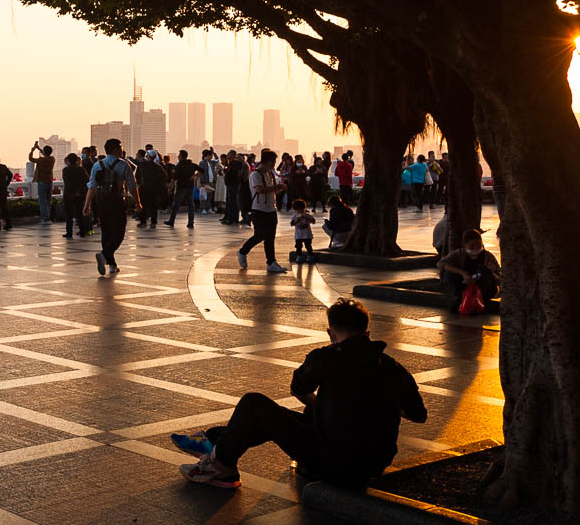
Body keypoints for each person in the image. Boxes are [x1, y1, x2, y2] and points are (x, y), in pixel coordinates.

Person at [175, 298, 427, 489]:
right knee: (292, 415)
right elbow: (418, 414)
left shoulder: (325, 358)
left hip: (333, 462)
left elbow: (299, 389)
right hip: (374, 463)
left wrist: (323, 405)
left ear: (331, 333)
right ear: (368, 333)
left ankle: (220, 464)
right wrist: (376, 403)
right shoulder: (393, 367)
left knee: (254, 404)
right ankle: (215, 441)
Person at [87, 138, 137, 275]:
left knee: (106, 232)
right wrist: (138, 203)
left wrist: (87, 205)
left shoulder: (98, 165)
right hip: (117, 202)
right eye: (120, 147)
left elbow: (92, 187)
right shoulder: (123, 165)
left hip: (101, 202)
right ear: (115, 150)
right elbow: (132, 186)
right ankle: (104, 255)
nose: (122, 149)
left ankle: (112, 265)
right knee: (119, 233)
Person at [238, 149, 288, 272]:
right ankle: (242, 251)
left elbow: (272, 191)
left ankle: (271, 262)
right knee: (260, 235)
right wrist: (276, 187)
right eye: (273, 162)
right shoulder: (255, 174)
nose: (274, 165)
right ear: (267, 161)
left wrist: (280, 188)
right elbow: (259, 189)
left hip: (271, 209)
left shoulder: (269, 174)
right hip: (258, 209)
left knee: (270, 237)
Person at [438, 228, 501, 316]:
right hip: (464, 285)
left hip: (482, 288)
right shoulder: (458, 254)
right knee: (448, 273)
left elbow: (499, 276)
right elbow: (441, 264)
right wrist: (462, 273)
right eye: (472, 246)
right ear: (464, 245)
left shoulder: (488, 256)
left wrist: (492, 271)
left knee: (484, 271)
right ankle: (458, 298)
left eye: (478, 245)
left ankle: (480, 301)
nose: (475, 248)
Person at [165, 149, 198, 228]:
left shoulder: (179, 166)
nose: (178, 157)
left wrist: (170, 187)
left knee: (176, 205)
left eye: (179, 155)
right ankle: (191, 222)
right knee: (191, 205)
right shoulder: (192, 164)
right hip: (190, 187)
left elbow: (174, 178)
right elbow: (201, 170)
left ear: (181, 157)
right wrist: (194, 176)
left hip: (181, 188)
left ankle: (171, 221)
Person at [61, 152, 90, 238]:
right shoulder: (81, 169)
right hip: (79, 194)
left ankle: (69, 232)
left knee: (69, 214)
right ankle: (82, 231)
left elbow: (67, 183)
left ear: (69, 161)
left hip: (69, 195)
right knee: (79, 213)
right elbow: (86, 180)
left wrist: (72, 192)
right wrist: (79, 191)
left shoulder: (66, 170)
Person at [135, 149, 166, 228]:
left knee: (143, 205)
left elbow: (137, 176)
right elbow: (164, 176)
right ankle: (153, 223)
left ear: (148, 156)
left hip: (143, 189)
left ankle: (143, 222)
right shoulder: (157, 166)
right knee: (153, 206)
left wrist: (139, 183)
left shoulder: (142, 165)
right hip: (154, 190)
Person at [32, 144, 57, 224]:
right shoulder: (52, 159)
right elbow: (46, 155)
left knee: (42, 201)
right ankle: (48, 218)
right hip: (49, 182)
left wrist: (32, 150)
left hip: (42, 182)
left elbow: (31, 159)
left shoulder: (41, 160)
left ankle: (45, 218)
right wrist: (39, 148)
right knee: (48, 201)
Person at [289, 199, 316, 264]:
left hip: (307, 235)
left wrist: (307, 218)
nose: (299, 211)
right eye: (298, 209)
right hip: (298, 235)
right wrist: (297, 220)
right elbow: (292, 224)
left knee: (308, 246)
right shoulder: (294, 216)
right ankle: (299, 256)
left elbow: (313, 221)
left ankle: (310, 256)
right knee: (298, 246)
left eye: (301, 209)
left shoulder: (307, 215)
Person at [224, 151, 247, 226]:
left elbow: (233, 174)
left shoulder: (234, 164)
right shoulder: (232, 163)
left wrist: (227, 173)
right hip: (232, 184)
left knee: (233, 202)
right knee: (231, 202)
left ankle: (233, 219)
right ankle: (231, 218)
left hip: (233, 185)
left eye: (228, 154)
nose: (227, 155)